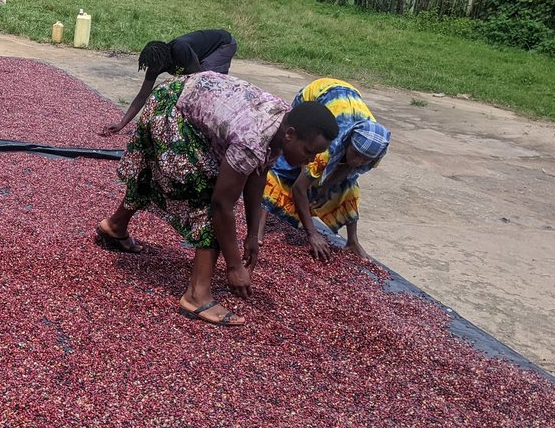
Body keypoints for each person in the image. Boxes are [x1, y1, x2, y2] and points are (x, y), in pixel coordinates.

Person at [96, 72, 337, 327]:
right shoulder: (252, 139)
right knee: (208, 194)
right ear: (290, 135)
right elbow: (221, 205)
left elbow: (258, 173)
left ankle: (114, 226)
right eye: (309, 152)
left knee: (201, 187)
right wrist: (233, 266)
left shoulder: (281, 124)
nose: (310, 160)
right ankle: (197, 296)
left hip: (187, 96)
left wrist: (253, 235)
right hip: (171, 108)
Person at [262, 78, 391, 262]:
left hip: (347, 99)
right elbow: (299, 188)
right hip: (317, 95)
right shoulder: (330, 146)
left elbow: (350, 168)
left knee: (348, 186)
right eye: (355, 153)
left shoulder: (374, 147)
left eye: (364, 159)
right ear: (347, 143)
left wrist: (326, 186)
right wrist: (312, 233)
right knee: (284, 170)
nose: (358, 160)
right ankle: (257, 235)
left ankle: (352, 241)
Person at [102, 29, 238, 135]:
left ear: (164, 61)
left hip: (223, 44)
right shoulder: (155, 65)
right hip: (200, 56)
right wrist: (121, 124)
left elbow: (199, 79)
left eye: (156, 67)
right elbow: (142, 96)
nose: (153, 69)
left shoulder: (180, 49)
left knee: (208, 84)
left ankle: (219, 122)